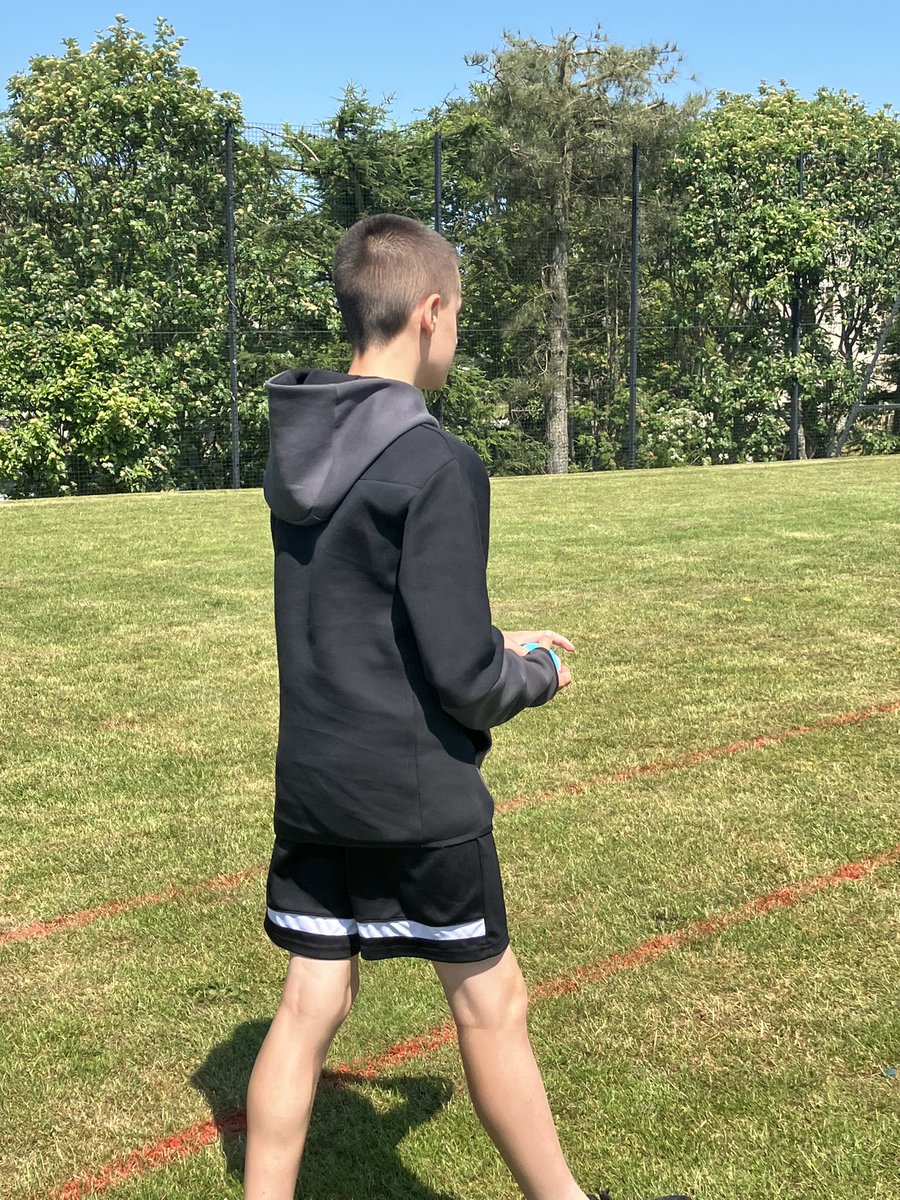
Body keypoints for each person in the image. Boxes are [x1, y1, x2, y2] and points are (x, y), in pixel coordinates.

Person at [245, 213, 688, 1200]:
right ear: (431, 312)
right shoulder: (439, 464)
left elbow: (383, 620)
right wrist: (531, 673)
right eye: (461, 318)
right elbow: (460, 675)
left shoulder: (294, 452)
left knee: (311, 1000)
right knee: (494, 1004)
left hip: (315, 786)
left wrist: (498, 640)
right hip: (416, 798)